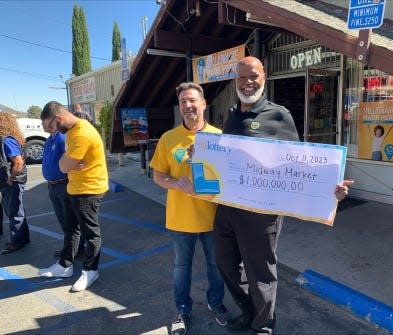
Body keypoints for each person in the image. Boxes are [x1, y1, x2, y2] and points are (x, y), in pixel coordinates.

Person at [214, 56, 353, 334]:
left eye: (253, 76)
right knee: (226, 264)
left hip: (262, 214)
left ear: (263, 76)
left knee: (260, 273)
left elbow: (300, 164)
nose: (248, 82)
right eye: (242, 77)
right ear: (235, 80)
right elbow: (223, 158)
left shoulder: (279, 116)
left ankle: (263, 326)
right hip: (228, 209)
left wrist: (329, 189)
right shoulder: (231, 115)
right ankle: (251, 312)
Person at [149, 82, 230, 335]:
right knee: (181, 268)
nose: (188, 105)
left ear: (204, 103)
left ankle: (216, 303)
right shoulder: (169, 138)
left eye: (192, 100)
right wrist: (176, 183)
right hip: (180, 219)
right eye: (183, 101)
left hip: (214, 219)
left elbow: (230, 177)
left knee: (216, 267)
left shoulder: (219, 137)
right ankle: (182, 310)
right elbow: (158, 176)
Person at [38, 101, 108, 292]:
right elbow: (65, 163)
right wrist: (67, 161)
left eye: (51, 126)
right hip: (74, 187)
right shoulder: (70, 131)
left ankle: (91, 270)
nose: (51, 131)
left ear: (59, 118)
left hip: (88, 189)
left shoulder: (81, 134)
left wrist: (66, 162)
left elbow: (63, 166)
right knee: (71, 229)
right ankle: (65, 265)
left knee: (90, 232)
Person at [41, 120, 85, 258]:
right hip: (52, 186)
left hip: (63, 185)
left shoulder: (61, 137)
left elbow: (75, 157)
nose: (42, 125)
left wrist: (75, 166)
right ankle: (70, 248)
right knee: (63, 220)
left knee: (70, 221)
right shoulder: (49, 140)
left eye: (43, 123)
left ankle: (78, 249)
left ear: (50, 123)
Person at [0, 113, 30, 255]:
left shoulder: (6, 140)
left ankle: (17, 241)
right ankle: (22, 238)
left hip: (13, 181)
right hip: (12, 181)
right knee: (16, 210)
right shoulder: (7, 138)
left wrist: (11, 177)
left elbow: (18, 162)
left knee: (14, 212)